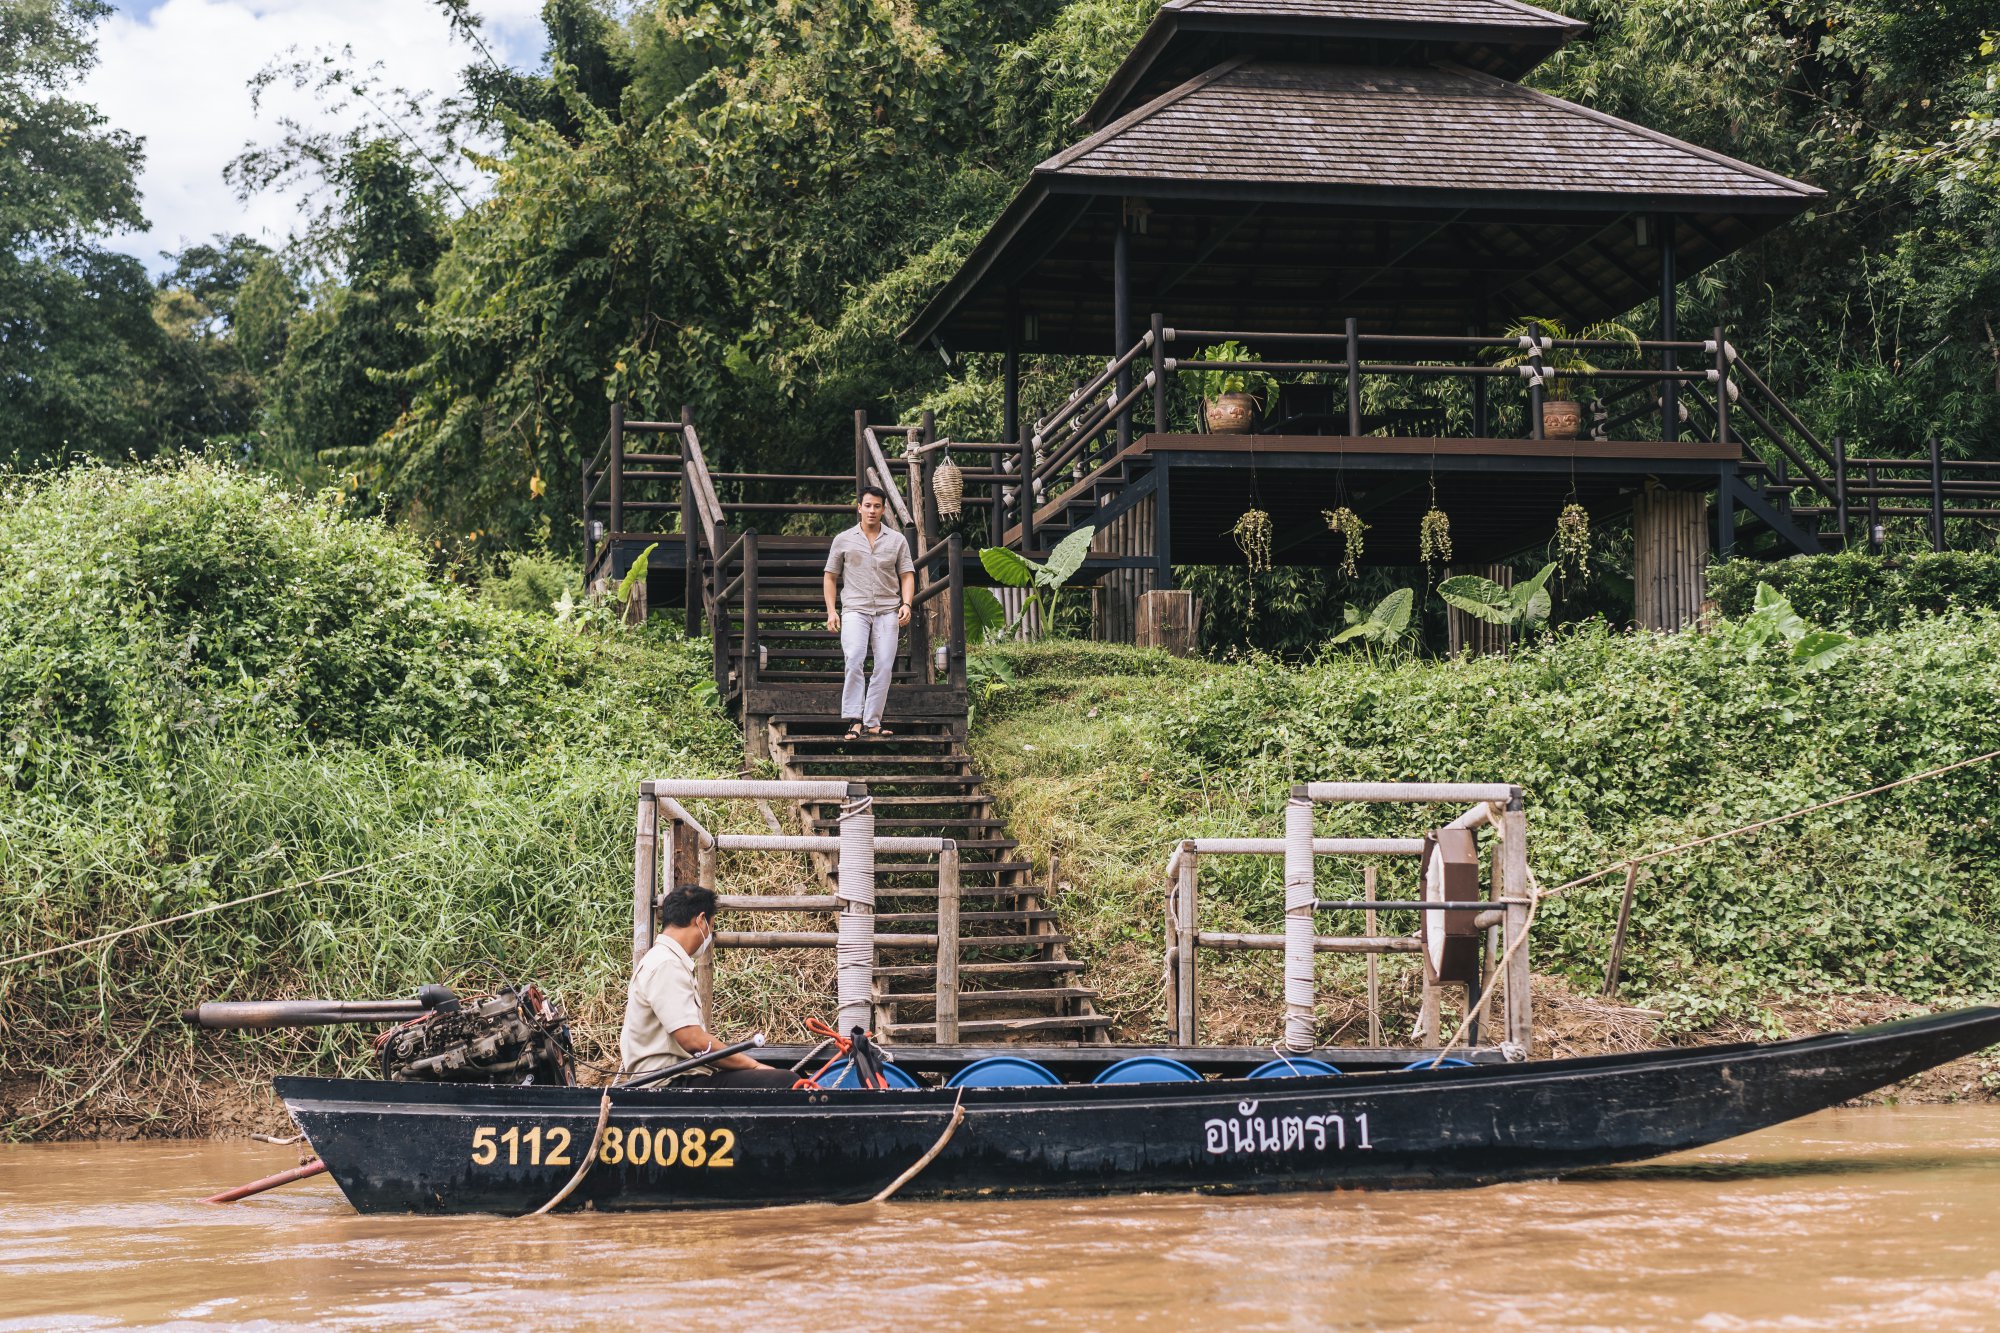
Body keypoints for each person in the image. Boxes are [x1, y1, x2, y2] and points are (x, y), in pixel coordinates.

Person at [620, 885, 796, 1088]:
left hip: (678, 1075)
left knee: (790, 1072)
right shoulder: (666, 964)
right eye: (712, 926)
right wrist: (754, 1066)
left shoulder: (665, 960)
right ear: (701, 920)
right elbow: (693, 1040)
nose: (710, 934)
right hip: (668, 1084)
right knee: (786, 1081)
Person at [822, 485, 914, 740]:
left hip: (887, 610)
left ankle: (872, 721)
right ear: (859, 508)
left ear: (883, 510)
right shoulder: (843, 539)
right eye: (868, 505)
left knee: (884, 665)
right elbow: (830, 577)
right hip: (855, 609)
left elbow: (907, 575)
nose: (872, 510)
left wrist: (906, 604)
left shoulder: (897, 540)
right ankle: (854, 720)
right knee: (854, 659)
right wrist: (832, 611)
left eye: (877, 506)